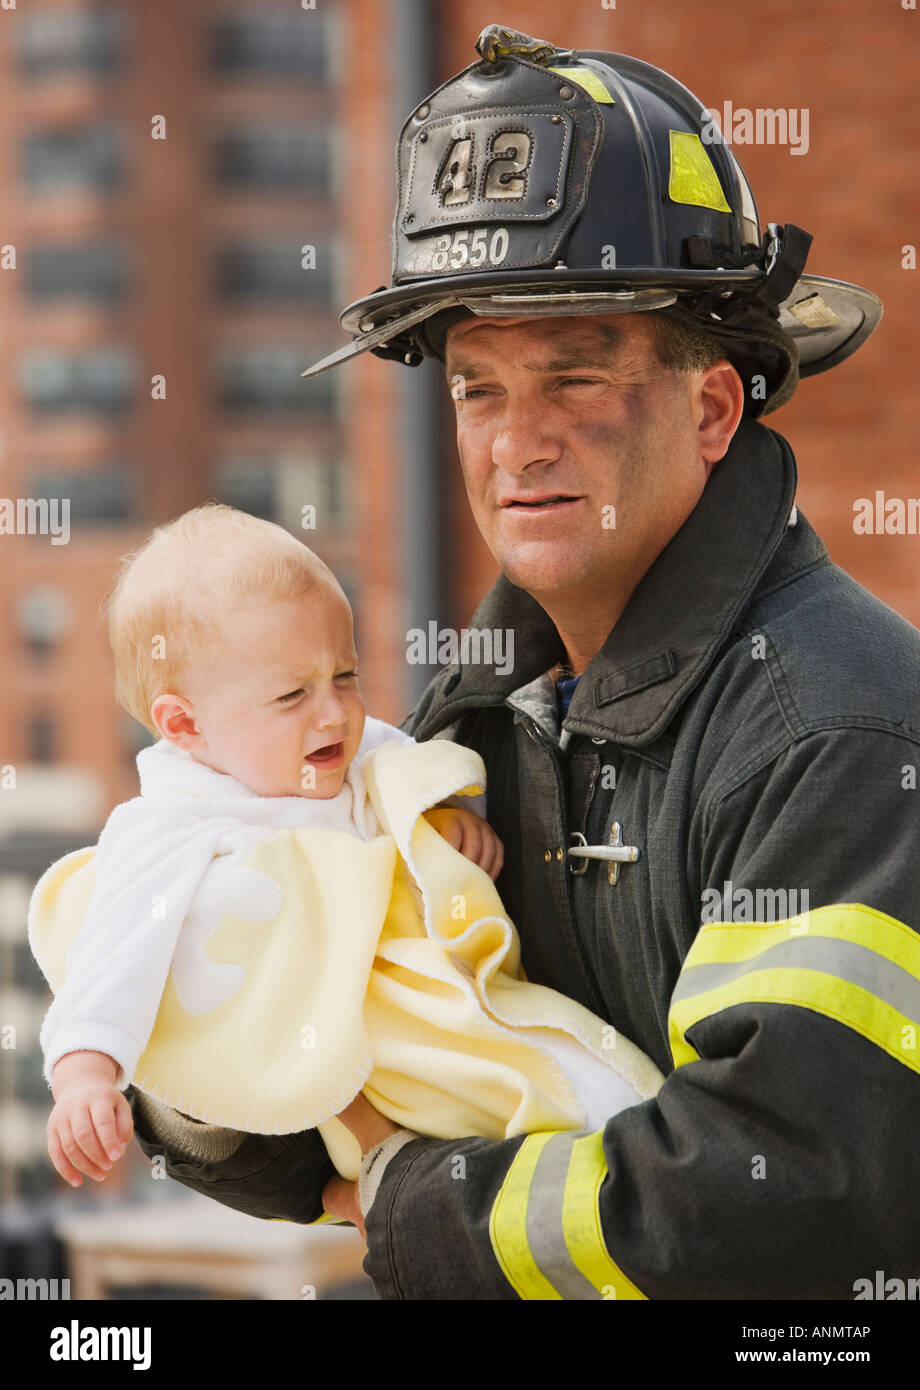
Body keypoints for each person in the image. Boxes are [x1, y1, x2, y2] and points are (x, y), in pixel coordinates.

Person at [122, 29, 920, 1298]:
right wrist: (179, 1020)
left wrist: (415, 1205)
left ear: (710, 410)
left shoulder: (838, 734)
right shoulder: (478, 715)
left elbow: (784, 1190)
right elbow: (361, 1058)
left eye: (576, 375)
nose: (515, 442)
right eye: (477, 389)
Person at [29, 501, 663, 1201]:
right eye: (293, 693)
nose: (334, 712)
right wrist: (85, 1074)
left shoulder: (354, 754)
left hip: (435, 1001)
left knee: (551, 1074)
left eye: (346, 675)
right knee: (506, 1104)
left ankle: (600, 1174)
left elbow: (407, 784)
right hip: (340, 1051)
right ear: (186, 725)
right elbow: (113, 954)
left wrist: (444, 824)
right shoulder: (168, 830)